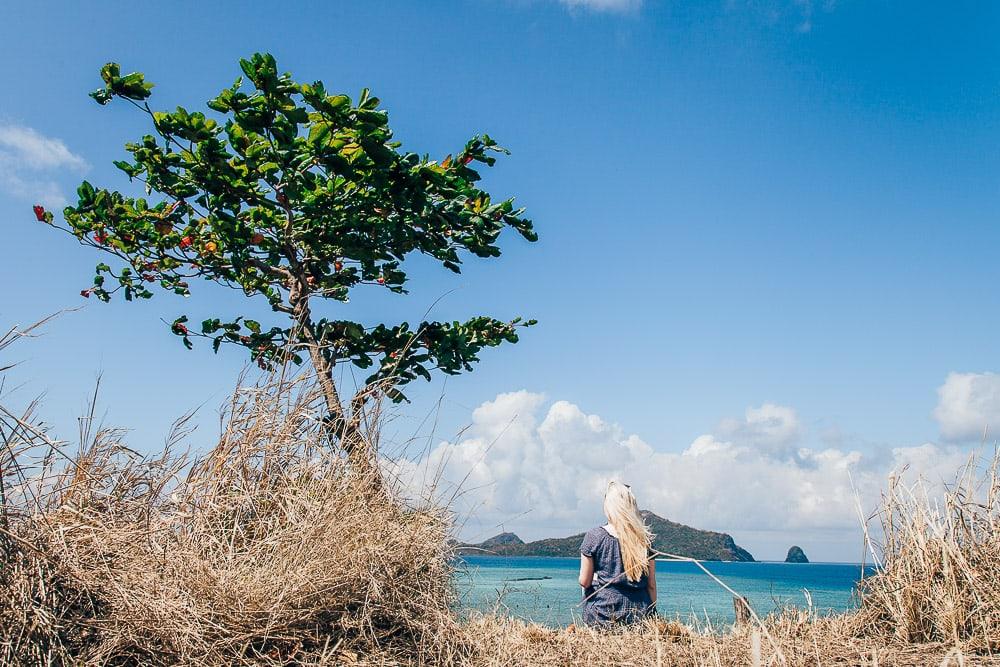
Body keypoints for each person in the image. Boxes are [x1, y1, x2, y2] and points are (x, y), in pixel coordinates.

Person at [578, 481, 657, 626]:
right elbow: (651, 585)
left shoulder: (594, 536)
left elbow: (584, 581)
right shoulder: (645, 540)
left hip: (602, 616)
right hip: (639, 617)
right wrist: (652, 616)